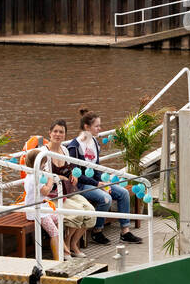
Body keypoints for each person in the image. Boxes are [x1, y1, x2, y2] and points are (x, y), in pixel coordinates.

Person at [66, 109, 140, 246]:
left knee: (123, 193)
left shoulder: (94, 142)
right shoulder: (75, 147)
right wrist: (97, 183)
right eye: (97, 126)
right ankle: (97, 231)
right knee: (105, 198)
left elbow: (97, 166)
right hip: (82, 185)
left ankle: (125, 231)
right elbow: (77, 175)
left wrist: (103, 181)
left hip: (96, 181)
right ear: (87, 127)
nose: (100, 128)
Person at [39, 120, 97, 258]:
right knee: (77, 213)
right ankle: (66, 246)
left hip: (68, 190)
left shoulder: (64, 150)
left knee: (90, 212)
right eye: (55, 131)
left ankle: (71, 243)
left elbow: (70, 168)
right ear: (50, 133)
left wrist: (73, 176)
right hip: (53, 195)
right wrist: (59, 177)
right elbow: (43, 175)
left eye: (61, 132)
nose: (58, 134)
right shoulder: (43, 153)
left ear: (65, 135)